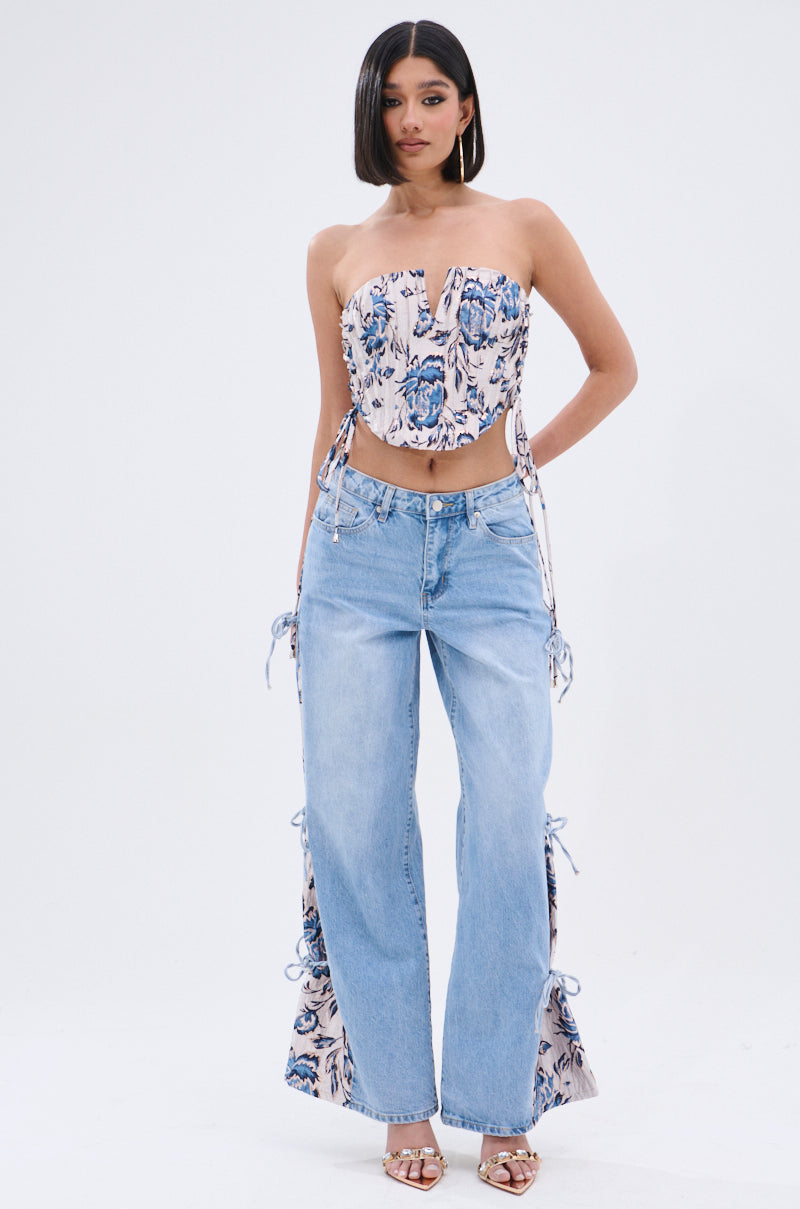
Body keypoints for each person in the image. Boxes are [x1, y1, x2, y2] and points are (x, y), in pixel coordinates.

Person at [265, 18, 637, 1196]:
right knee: (356, 823)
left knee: (501, 815)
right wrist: (302, 560)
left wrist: (521, 460)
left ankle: (497, 1095)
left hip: (489, 551)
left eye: (434, 95)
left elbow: (612, 364)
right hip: (357, 546)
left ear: (467, 109)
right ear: (372, 116)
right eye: (392, 99)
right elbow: (331, 415)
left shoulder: (525, 227)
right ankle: (398, 1103)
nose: (412, 117)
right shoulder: (334, 249)